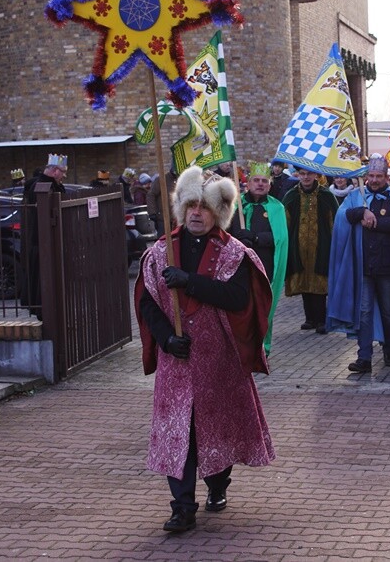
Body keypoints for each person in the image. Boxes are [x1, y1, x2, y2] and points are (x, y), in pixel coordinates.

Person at [134, 165, 274, 533]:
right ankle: (182, 508)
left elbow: (238, 297)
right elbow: (148, 302)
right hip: (177, 362)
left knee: (217, 428)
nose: (197, 213)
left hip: (218, 360)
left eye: (205, 207)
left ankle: (218, 484)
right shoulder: (161, 251)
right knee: (179, 431)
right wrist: (167, 338)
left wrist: (190, 282)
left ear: (219, 212)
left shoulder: (234, 253)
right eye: (191, 205)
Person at [326, 155, 390, 372]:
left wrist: (374, 221)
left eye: (378, 176)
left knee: (388, 311)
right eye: (371, 176)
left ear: (386, 177)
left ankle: (389, 350)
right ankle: (364, 357)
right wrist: (360, 212)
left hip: (388, 267)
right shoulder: (355, 196)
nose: (374, 180)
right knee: (364, 311)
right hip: (363, 267)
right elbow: (341, 217)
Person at [233, 161, 288, 356]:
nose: (260, 184)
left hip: (265, 266)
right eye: (256, 180)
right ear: (248, 183)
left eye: (264, 181)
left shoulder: (276, 207)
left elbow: (280, 238)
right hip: (239, 267)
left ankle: (262, 348)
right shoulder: (236, 205)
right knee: (241, 308)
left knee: (262, 307)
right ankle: (241, 347)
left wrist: (255, 238)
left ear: (270, 185)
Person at [282, 166, 339, 334]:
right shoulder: (291, 195)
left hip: (321, 245)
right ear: (298, 175)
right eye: (302, 174)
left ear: (315, 175)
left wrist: (334, 243)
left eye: (309, 174)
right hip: (298, 246)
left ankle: (322, 320)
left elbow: (334, 221)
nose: (306, 177)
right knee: (303, 280)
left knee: (319, 282)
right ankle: (310, 318)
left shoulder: (326, 195)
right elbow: (285, 222)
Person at [21, 154, 67, 319]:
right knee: (43, 280)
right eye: (63, 172)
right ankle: (45, 313)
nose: (64, 176)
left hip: (50, 240)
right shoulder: (40, 186)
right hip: (42, 241)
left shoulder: (54, 185)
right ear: (55, 171)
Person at [147, 165, 178, 237]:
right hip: (163, 218)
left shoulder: (181, 179)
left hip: (177, 218)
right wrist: (152, 212)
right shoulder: (162, 179)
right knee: (163, 239)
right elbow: (151, 195)